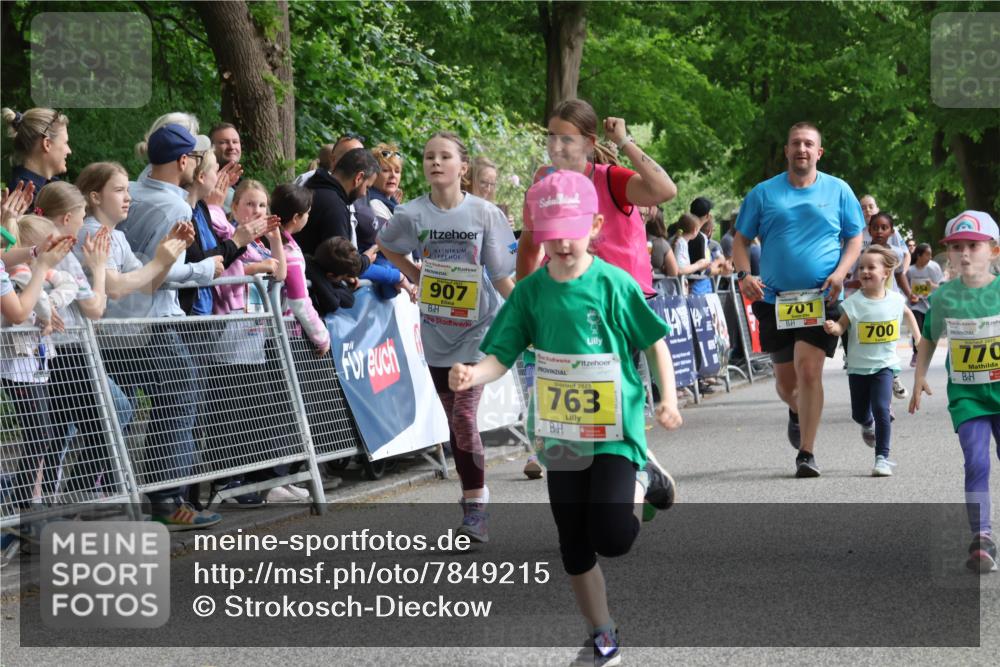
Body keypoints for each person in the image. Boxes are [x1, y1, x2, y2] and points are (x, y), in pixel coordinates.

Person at [449, 171, 682, 665]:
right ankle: (602, 633)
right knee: (573, 541)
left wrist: (669, 399)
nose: (560, 242)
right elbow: (502, 354)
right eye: (549, 233)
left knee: (613, 538)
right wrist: (474, 374)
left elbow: (654, 342)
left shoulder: (613, 284)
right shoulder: (531, 293)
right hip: (560, 435)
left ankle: (643, 477)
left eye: (570, 231)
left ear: (595, 225)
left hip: (616, 431)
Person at [377, 131, 516, 542]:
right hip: (437, 329)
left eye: (444, 157)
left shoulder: (487, 214)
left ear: (462, 167)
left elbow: (503, 274)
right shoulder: (411, 214)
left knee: (463, 415)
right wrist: (417, 275)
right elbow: (386, 245)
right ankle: (472, 498)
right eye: (428, 157)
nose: (434, 163)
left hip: (478, 328)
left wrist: (531, 309)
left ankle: (476, 508)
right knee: (455, 421)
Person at [733, 121, 864, 478]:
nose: (802, 149)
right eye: (796, 144)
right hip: (774, 300)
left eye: (809, 144)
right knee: (786, 384)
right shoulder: (763, 193)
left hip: (820, 297)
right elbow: (741, 241)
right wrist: (744, 276)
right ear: (787, 151)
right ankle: (796, 409)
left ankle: (806, 453)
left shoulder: (838, 190)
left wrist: (840, 273)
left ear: (819, 152)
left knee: (809, 371)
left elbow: (855, 238)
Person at [117, 123, 224, 529]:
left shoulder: (130, 190)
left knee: (109, 407)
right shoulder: (176, 208)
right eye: (194, 159)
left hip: (116, 322)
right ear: (184, 162)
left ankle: (90, 492)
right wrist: (205, 268)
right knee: (181, 391)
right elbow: (161, 273)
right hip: (151, 320)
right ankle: (166, 500)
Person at [910, 211, 1000, 573]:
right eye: (957, 247)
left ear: (993, 250)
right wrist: (918, 377)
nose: (964, 254)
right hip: (968, 396)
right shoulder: (945, 296)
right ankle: (982, 537)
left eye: (973, 246)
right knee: (976, 461)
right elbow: (929, 337)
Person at [823, 245, 920, 476]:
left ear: (885, 273)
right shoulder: (854, 302)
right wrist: (833, 328)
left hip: (885, 366)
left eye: (871, 267)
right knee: (859, 413)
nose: (865, 271)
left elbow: (908, 314)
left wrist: (918, 337)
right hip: (858, 367)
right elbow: (842, 326)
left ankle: (882, 458)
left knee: (881, 409)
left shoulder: (895, 300)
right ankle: (867, 424)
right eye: (861, 268)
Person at [296, 148, 380, 255]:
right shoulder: (335, 208)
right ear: (359, 178)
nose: (364, 194)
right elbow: (340, 262)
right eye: (367, 187)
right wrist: (365, 260)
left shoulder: (312, 185)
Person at [2, 108, 71, 204]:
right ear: (47, 144)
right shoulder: (24, 196)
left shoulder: (50, 186)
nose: (69, 151)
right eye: (65, 143)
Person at [905, 242, 944, 367]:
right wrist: (911, 295)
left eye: (931, 255)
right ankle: (916, 354)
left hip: (931, 304)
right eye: (927, 254)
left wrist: (932, 285)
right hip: (916, 305)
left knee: (928, 330)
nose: (930, 257)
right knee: (918, 327)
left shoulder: (934, 268)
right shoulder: (910, 271)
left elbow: (942, 287)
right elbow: (905, 288)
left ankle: (926, 353)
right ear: (919, 255)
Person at [643, 206, 678, 277]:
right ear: (661, 223)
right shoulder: (662, 244)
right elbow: (673, 272)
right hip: (655, 285)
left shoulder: (635, 239)